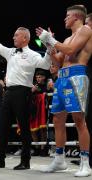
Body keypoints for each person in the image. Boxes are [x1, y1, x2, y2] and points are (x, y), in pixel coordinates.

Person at [0, 26, 52, 170]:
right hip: (8, 93)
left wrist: (49, 44)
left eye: (16, 35)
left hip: (24, 93)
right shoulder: (11, 52)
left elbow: (46, 64)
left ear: (25, 38)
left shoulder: (33, 55)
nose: (13, 38)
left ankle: (25, 161)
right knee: (2, 127)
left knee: (24, 127)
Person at [36, 4, 92, 177]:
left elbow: (71, 51)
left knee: (79, 120)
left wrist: (52, 40)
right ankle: (59, 160)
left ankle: (85, 163)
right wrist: (48, 44)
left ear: (76, 16)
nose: (64, 19)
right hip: (62, 77)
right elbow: (59, 60)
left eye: (67, 16)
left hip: (77, 76)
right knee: (57, 119)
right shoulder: (67, 38)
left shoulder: (85, 29)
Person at [71, 12, 92, 168]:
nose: (85, 27)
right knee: (86, 119)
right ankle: (87, 156)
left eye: (88, 23)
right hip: (85, 77)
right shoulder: (83, 40)